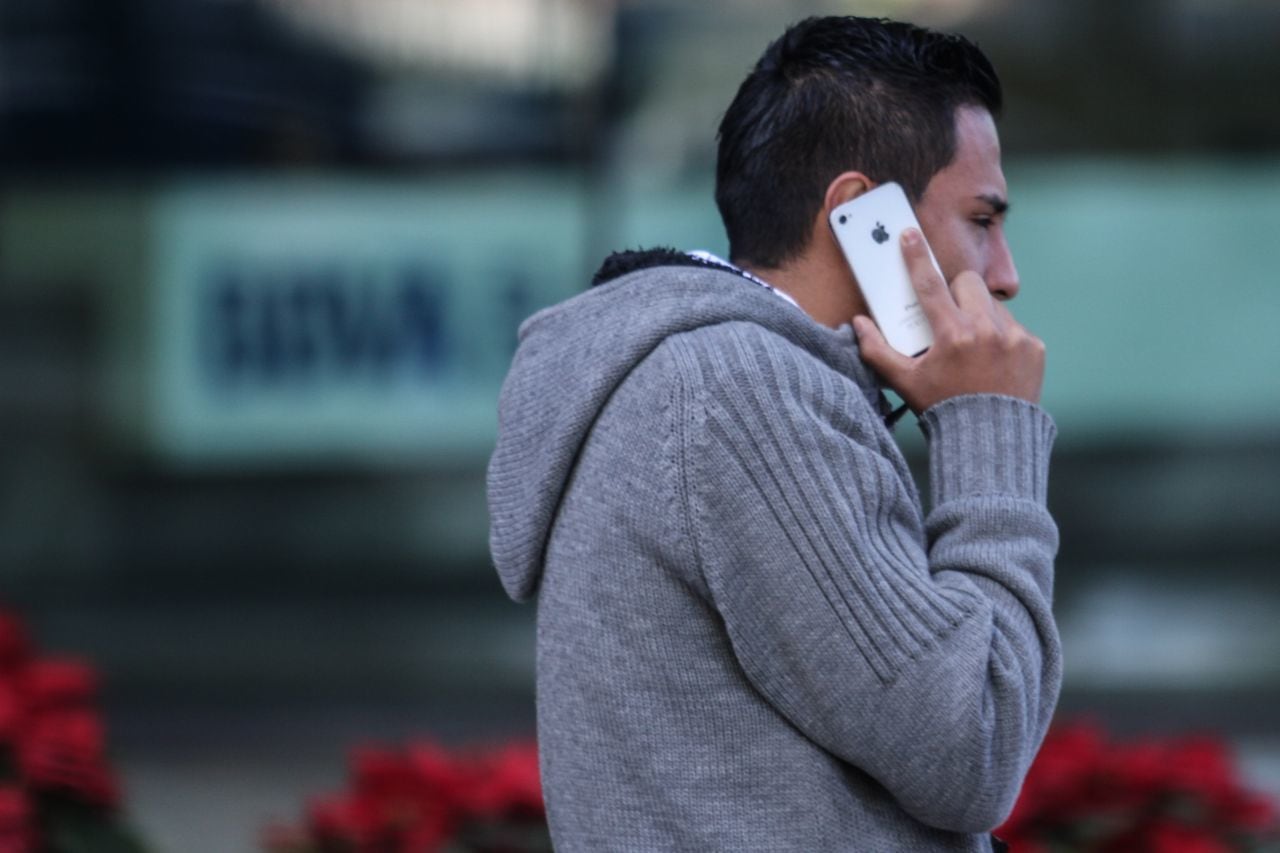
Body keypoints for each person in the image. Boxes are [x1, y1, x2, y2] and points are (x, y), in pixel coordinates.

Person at [487, 14, 1060, 852]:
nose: (1005, 275)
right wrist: (988, 426)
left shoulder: (717, 378)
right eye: (982, 219)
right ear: (863, 218)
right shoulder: (741, 391)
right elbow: (972, 745)